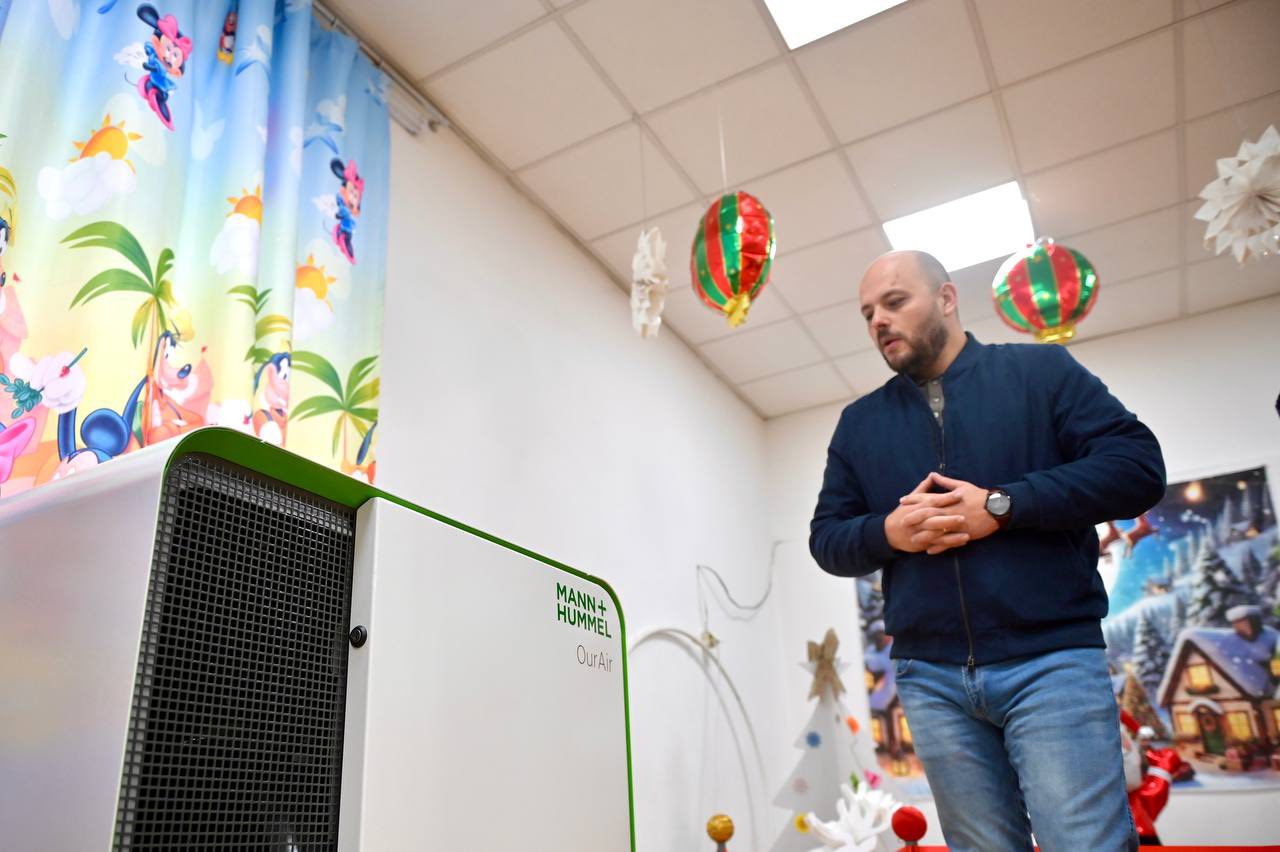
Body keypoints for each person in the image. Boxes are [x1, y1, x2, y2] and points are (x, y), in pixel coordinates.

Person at [809, 250, 1166, 852]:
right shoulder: (858, 424)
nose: (879, 321)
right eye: (868, 313)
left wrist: (1002, 506)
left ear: (947, 299)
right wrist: (888, 533)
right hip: (930, 680)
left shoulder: (1041, 372)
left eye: (895, 302)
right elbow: (827, 540)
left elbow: (1137, 468)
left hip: (1051, 660)